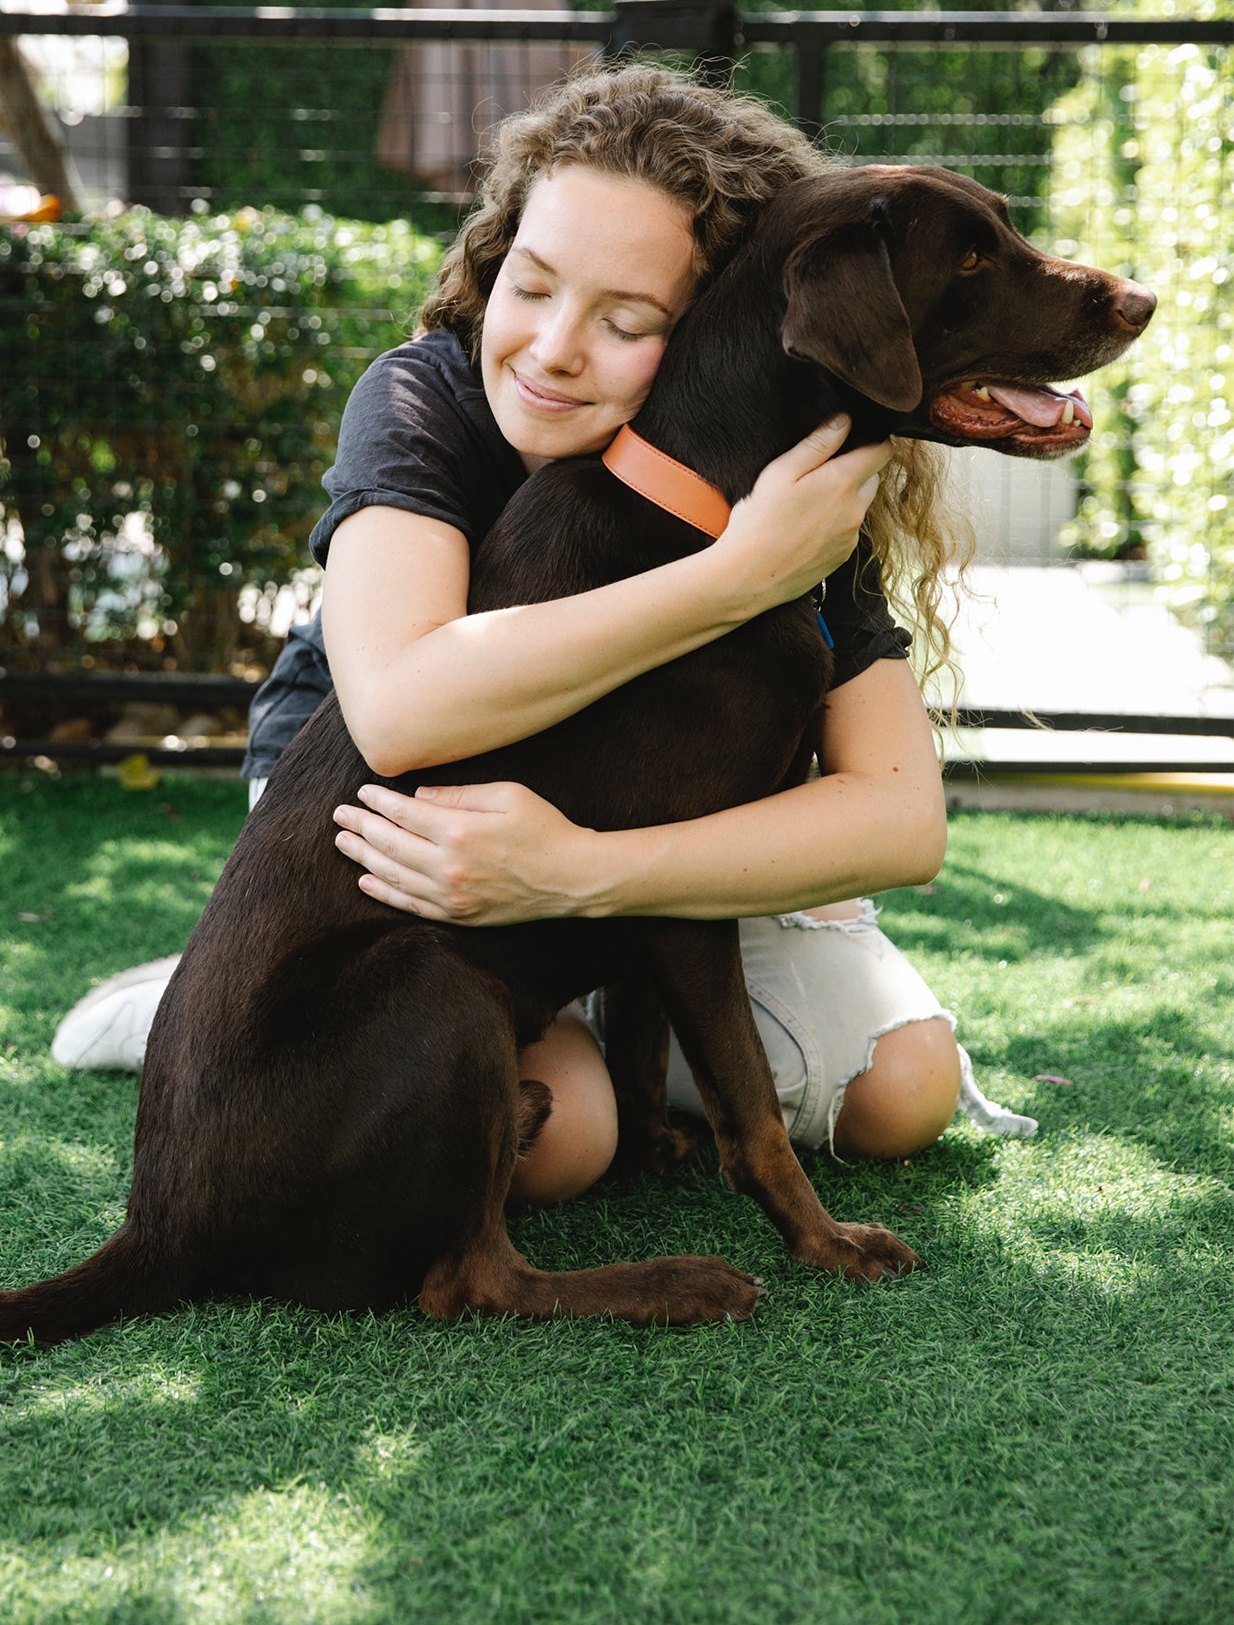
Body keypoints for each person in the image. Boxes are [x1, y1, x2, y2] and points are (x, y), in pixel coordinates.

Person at [52, 63, 1035, 1203]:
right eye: (532, 286)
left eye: (628, 321)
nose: (555, 349)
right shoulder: (426, 400)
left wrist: (582, 875)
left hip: (625, 838)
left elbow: (901, 819)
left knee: (902, 1090)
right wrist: (736, 577)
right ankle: (222, 1001)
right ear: (494, 257)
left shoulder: (784, 463)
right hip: (386, 846)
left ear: (731, 331)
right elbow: (403, 712)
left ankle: (626, 989)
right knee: (563, 1140)